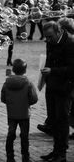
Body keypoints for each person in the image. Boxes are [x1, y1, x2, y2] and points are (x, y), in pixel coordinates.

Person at [39, 21, 74, 162]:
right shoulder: (51, 42)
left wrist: (52, 71)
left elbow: (72, 70)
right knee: (53, 120)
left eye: (50, 37)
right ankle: (55, 151)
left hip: (65, 88)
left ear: (58, 32)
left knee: (62, 120)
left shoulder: (70, 44)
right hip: (52, 85)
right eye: (46, 37)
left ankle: (62, 154)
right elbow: (49, 60)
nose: (47, 40)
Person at [1, 59, 38, 162]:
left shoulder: (7, 83)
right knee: (24, 136)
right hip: (24, 114)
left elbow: (3, 98)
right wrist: (26, 103)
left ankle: (10, 156)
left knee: (10, 134)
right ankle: (25, 157)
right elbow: (34, 98)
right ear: (25, 70)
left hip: (12, 114)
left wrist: (11, 103)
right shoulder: (28, 83)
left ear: (13, 69)